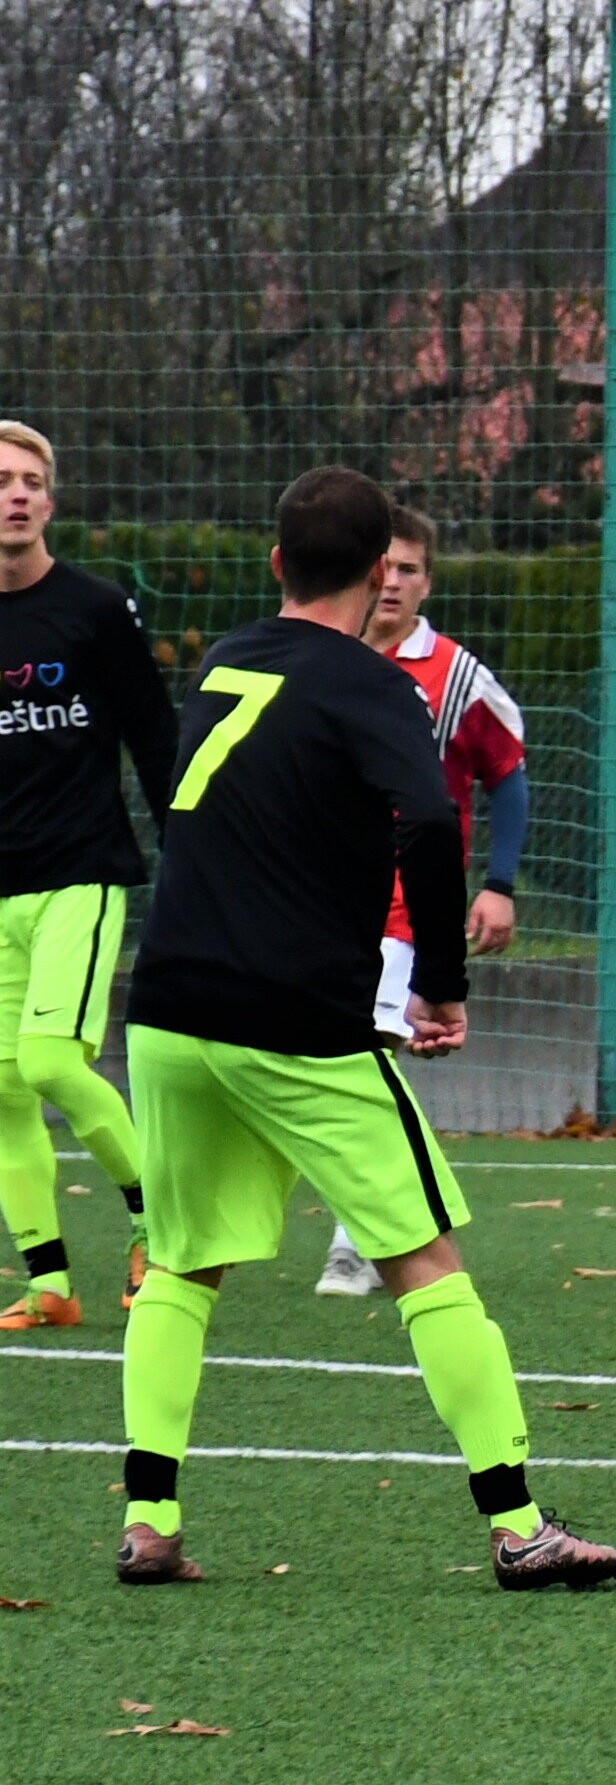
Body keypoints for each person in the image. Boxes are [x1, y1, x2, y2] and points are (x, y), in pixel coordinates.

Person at [114, 466, 616, 1589]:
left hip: (168, 1008)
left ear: (277, 563)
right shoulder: (372, 683)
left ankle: (149, 1520)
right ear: (376, 570)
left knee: (181, 1266)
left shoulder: (226, 660)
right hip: (293, 1018)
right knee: (424, 1258)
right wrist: (440, 982)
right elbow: (431, 818)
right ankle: (519, 1524)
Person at [316, 503, 529, 1296]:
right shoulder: (324, 657)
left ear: (427, 581)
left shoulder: (457, 674)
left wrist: (499, 884)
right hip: (321, 903)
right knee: (318, 1058)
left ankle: (359, 1239)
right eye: (386, 567)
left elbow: (507, 775)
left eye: (410, 569)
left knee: (368, 1052)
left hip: (406, 907)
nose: (394, 582)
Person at [0, 419, 176, 1331]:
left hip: (81, 873)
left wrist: (193, 855)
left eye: (31, 481)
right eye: (2, 480)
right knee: (2, 1090)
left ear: (51, 502)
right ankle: (50, 1284)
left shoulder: (97, 609)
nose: (17, 494)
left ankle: (163, 1224)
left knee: (49, 1062)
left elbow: (156, 735)